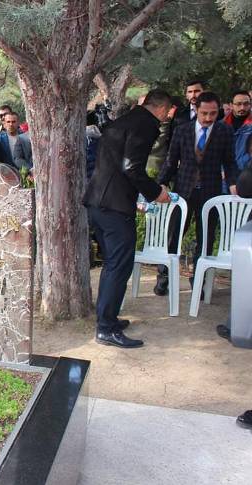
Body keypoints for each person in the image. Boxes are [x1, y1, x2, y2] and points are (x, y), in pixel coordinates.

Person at [83, 89, 173, 349]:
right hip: (114, 207)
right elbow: (131, 168)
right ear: (162, 108)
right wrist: (157, 193)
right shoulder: (145, 124)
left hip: (98, 202)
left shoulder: (124, 120)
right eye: (167, 113)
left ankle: (107, 319)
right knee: (118, 266)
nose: (166, 117)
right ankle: (106, 328)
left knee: (113, 265)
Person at [155, 91, 239, 296]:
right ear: (197, 110)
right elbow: (170, 160)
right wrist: (161, 184)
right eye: (204, 114)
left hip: (210, 193)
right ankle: (164, 276)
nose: (209, 118)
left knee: (206, 238)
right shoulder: (182, 130)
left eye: (213, 113)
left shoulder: (224, 131)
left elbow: (229, 162)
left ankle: (198, 281)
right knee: (174, 235)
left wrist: (234, 185)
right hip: (183, 191)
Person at [222, 90, 252, 170]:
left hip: (247, 175)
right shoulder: (220, 126)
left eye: (246, 104)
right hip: (225, 177)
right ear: (231, 105)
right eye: (238, 104)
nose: (242, 107)